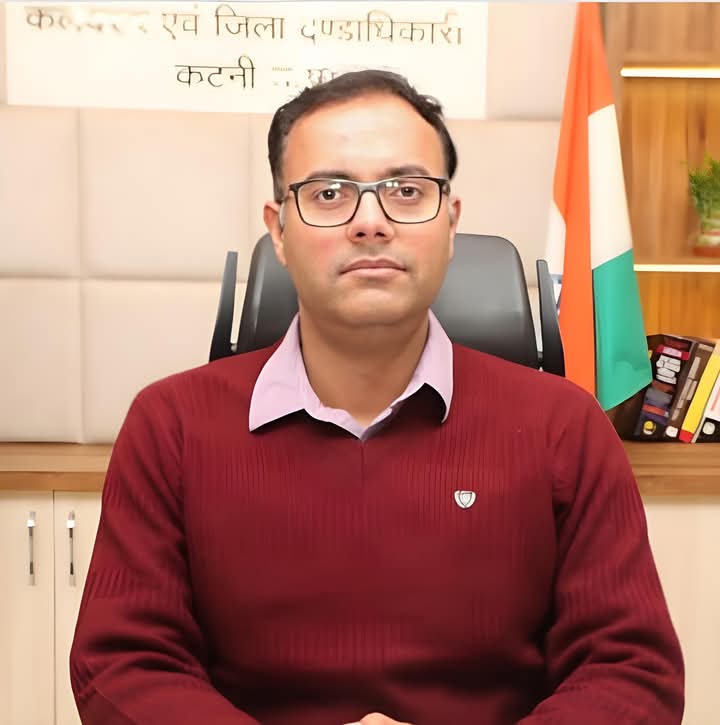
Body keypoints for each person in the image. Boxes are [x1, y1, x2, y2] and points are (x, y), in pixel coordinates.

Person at [70, 70, 684, 725]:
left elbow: (631, 672)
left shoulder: (561, 426)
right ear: (279, 231)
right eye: (329, 193)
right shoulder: (172, 427)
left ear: (451, 222)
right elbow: (123, 664)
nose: (370, 222)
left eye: (407, 191)